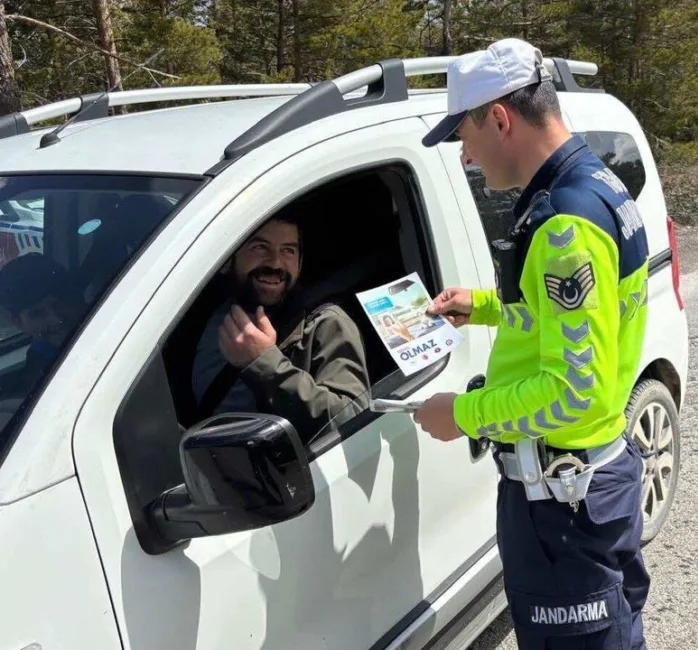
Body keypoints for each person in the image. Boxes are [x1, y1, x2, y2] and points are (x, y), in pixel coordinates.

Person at [413, 38, 652, 650]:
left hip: (562, 503)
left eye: (462, 135)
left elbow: (574, 391)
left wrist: (462, 415)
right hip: (595, 481)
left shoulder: (564, 224)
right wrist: (486, 306)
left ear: (500, 118)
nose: (465, 156)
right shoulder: (595, 183)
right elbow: (570, 317)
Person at [189, 213, 369, 441]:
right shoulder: (200, 308)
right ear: (226, 261)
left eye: (288, 251)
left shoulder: (324, 324)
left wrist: (265, 364)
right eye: (259, 248)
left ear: (300, 263)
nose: (275, 263)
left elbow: (353, 420)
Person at [0, 253, 85, 383]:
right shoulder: (40, 378)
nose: (57, 319)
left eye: (60, 303)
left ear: (76, 299)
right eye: (37, 314)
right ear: (19, 323)